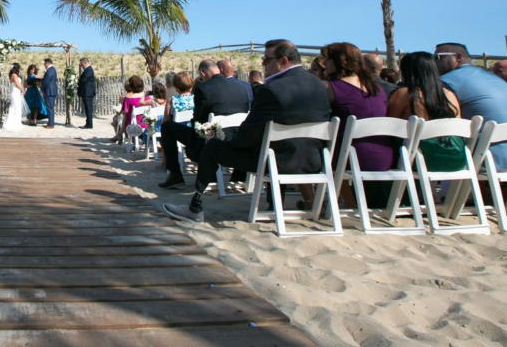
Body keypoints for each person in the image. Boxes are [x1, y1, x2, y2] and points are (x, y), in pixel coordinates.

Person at [163, 39, 331, 223]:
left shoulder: (272, 90)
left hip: (278, 161)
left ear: (283, 62)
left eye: (266, 59)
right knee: (272, 144)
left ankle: (194, 207)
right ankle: (275, 204)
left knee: (214, 148)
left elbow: (247, 136)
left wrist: (230, 143)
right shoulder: (320, 85)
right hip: (316, 160)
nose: (263, 64)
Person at [157, 60, 251, 189]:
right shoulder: (242, 87)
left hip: (211, 142)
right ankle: (238, 175)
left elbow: (199, 120)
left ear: (203, 73)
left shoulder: (204, 88)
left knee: (167, 127)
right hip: (239, 141)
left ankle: (175, 175)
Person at [435, 42, 507, 169]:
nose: (434, 62)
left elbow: (437, 120)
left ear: (457, 57)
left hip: (485, 158)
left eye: (437, 57)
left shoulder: (448, 81)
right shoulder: (495, 79)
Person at [322, 42, 392, 207]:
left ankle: (351, 204)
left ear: (340, 60)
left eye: (327, 59)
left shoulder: (331, 88)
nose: (324, 64)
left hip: (350, 157)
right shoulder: (377, 89)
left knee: (324, 146)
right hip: (385, 156)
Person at [387, 52, 465, 171]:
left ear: (407, 72)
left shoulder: (404, 94)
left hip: (418, 159)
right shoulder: (450, 96)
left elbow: (388, 129)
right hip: (455, 159)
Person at [109, 75, 152, 144]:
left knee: (126, 118)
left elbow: (125, 117)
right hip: (147, 125)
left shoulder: (128, 99)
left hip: (133, 126)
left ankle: (123, 137)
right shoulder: (147, 97)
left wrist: (121, 131)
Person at [2, 63, 25, 132]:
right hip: (15, 92)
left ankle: (17, 121)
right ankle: (12, 122)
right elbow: (17, 85)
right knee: (15, 107)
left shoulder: (14, 75)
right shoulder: (14, 75)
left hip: (16, 92)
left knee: (17, 107)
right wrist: (22, 90)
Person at [77, 58, 96, 129]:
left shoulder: (88, 70)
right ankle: (88, 123)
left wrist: (78, 85)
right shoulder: (87, 70)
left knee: (88, 108)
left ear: (85, 63)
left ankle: (89, 124)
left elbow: (84, 79)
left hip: (88, 91)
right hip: (86, 91)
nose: (81, 66)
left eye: (81, 64)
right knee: (87, 108)